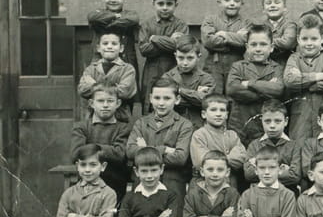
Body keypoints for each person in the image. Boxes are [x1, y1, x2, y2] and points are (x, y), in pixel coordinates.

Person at [126, 78, 193, 206]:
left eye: (167, 98)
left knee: (171, 216)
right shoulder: (141, 123)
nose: (161, 103)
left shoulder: (185, 125)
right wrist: (164, 149)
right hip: (143, 182)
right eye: (157, 98)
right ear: (150, 98)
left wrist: (145, 150)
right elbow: (130, 151)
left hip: (172, 182)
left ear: (177, 99)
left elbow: (180, 158)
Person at [283, 13, 323, 140]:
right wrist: (317, 76)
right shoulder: (294, 58)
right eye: (305, 39)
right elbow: (289, 81)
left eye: (314, 39)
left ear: (322, 38)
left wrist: (305, 84)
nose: (309, 43)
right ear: (298, 39)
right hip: (300, 120)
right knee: (299, 148)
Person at [71, 84, 131, 204]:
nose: (105, 105)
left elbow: (120, 154)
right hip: (88, 180)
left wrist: (92, 148)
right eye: (100, 101)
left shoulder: (123, 128)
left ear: (118, 103)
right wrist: (109, 150)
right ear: (92, 103)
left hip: (115, 181)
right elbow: (76, 153)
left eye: (110, 101)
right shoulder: (81, 127)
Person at [226, 23, 285, 146]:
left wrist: (249, 83)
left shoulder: (277, 68)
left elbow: (278, 90)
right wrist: (265, 90)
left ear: (271, 47)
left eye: (263, 44)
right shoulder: (238, 66)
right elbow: (232, 89)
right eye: (253, 44)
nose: (258, 49)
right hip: (239, 124)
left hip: (265, 127)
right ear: (247, 47)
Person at [137, 0, 188, 112]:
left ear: (176, 5)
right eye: (161, 4)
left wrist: (155, 39)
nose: (165, 7)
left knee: (173, 100)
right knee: (149, 102)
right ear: (153, 4)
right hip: (151, 71)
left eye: (169, 4)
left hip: (173, 68)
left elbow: (180, 46)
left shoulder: (181, 25)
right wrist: (170, 41)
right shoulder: (147, 25)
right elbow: (144, 50)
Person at [87, 0, 140, 82]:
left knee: (127, 87)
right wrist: (116, 16)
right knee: (100, 86)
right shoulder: (97, 14)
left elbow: (133, 19)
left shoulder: (131, 14)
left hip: (125, 60)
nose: (113, 0)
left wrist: (107, 24)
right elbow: (92, 17)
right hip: (101, 60)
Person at [78, 30, 137, 122]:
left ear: (121, 48)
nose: (109, 46)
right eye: (105, 43)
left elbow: (124, 92)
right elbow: (82, 90)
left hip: (120, 118)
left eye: (114, 44)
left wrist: (94, 85)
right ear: (98, 48)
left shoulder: (128, 69)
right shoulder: (91, 69)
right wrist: (114, 87)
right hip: (94, 118)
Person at [201, 0, 250, 93]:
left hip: (236, 66)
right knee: (214, 95)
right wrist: (235, 39)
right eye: (227, 0)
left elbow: (246, 41)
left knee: (233, 95)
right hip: (213, 66)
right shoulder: (210, 20)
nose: (232, 3)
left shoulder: (246, 22)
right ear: (220, 2)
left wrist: (225, 34)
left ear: (242, 3)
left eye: (236, 1)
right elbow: (208, 41)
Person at [243, 99, 301, 193]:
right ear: (261, 121)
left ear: (286, 121)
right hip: (259, 194)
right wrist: (283, 170)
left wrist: (261, 169)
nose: (272, 126)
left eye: (277, 121)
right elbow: (249, 174)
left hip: (285, 195)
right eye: (267, 121)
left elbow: (295, 176)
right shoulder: (254, 145)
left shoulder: (294, 146)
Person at [161, 36, 217, 130]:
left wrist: (179, 91)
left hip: (199, 128)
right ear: (175, 56)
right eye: (181, 58)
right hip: (172, 127)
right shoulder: (167, 77)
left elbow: (205, 101)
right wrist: (195, 96)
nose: (185, 63)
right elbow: (166, 102)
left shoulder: (207, 78)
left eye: (190, 58)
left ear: (198, 57)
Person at [189, 94, 246, 186]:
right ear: (204, 114)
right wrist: (229, 158)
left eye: (222, 110)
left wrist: (214, 159)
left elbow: (242, 158)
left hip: (230, 184)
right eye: (213, 110)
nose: (218, 114)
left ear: (227, 115)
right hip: (204, 184)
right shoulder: (200, 135)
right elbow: (200, 162)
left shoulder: (232, 135)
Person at [250, 0, 298, 65]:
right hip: (265, 64)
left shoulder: (290, 25)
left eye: (277, 2)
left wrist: (263, 41)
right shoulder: (261, 25)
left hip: (285, 64)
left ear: (285, 8)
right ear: (263, 9)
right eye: (268, 3)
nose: (272, 5)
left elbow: (287, 43)